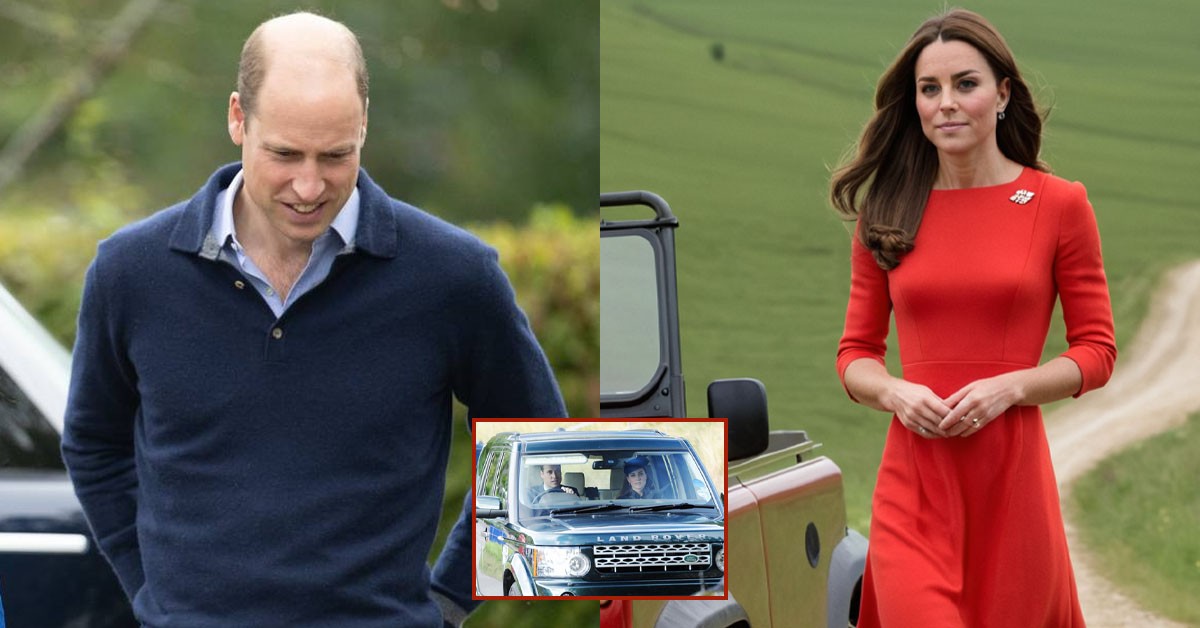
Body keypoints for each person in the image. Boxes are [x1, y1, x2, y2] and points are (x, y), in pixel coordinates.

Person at [60, 12, 565, 628]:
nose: (308, 185)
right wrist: (153, 593)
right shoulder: (129, 272)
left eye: (335, 155)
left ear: (364, 127)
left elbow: (540, 450)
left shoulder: (454, 276)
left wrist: (448, 602)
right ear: (237, 119)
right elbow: (95, 442)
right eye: (284, 154)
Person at [830, 9, 1115, 627]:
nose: (946, 104)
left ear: (1002, 93)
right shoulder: (887, 211)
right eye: (929, 90)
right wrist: (896, 393)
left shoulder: (1059, 205)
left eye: (966, 84)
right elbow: (854, 355)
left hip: (1010, 485)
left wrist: (1013, 386)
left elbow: (1096, 351)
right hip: (915, 482)